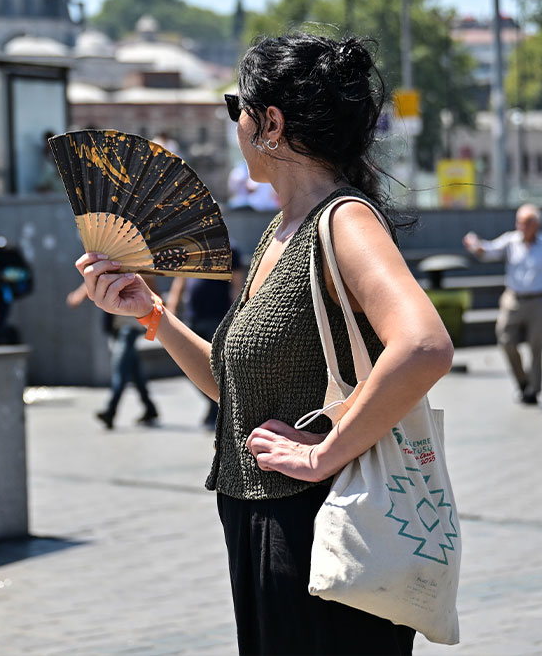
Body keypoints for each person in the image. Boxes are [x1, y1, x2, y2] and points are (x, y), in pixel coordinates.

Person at [76, 33, 453, 654]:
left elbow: (424, 345)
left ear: (270, 123)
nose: (236, 125)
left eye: (238, 108)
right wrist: (152, 315)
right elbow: (237, 388)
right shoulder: (282, 229)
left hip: (322, 528)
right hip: (263, 521)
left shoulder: (343, 220)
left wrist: (325, 452)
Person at [464, 204, 542, 405]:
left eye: (526, 222)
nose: (521, 226)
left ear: (536, 224)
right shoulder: (511, 240)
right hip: (514, 298)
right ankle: (522, 381)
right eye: (519, 221)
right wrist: (476, 246)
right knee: (505, 339)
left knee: (536, 346)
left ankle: (533, 389)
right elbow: (490, 250)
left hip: (539, 300)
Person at [166, 247, 245, 428]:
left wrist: (238, 316)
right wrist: (171, 307)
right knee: (190, 364)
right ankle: (215, 404)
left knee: (216, 366)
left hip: (218, 317)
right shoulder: (193, 248)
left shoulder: (230, 248)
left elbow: (237, 284)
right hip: (194, 316)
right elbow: (180, 279)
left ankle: (217, 410)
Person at [67, 281, 161, 430]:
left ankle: (110, 410)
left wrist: (154, 324)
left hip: (130, 327)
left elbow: (154, 293)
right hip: (120, 326)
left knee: (120, 368)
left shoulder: (137, 271)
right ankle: (150, 408)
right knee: (133, 369)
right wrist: (79, 295)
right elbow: (99, 278)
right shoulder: (115, 270)